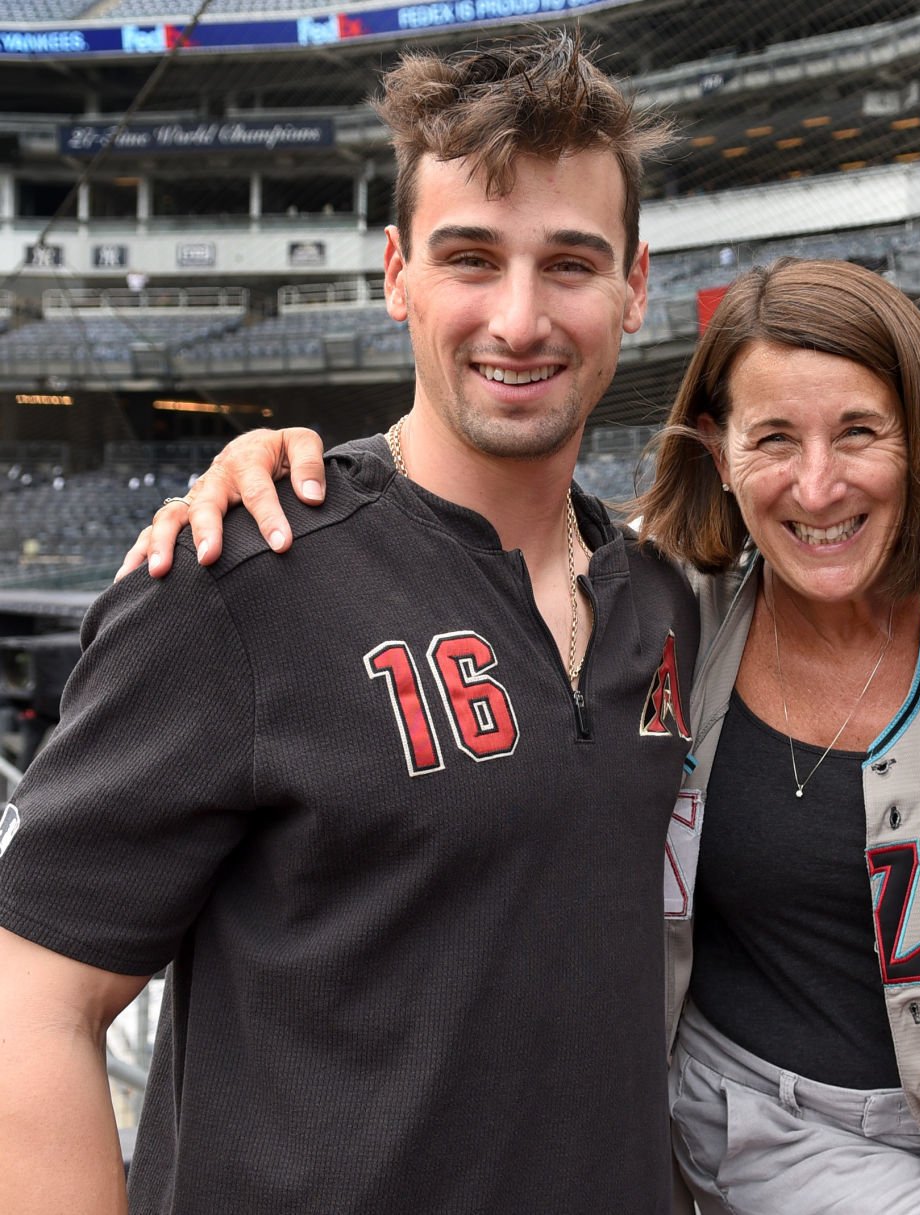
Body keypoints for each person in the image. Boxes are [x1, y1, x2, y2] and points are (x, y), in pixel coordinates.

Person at [119, 259, 920, 1211]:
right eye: (773, 438)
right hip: (754, 1126)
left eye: (859, 433)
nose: (817, 487)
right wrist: (268, 469)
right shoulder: (672, 593)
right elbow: (483, 533)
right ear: (718, 453)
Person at [0, 35, 699, 1214]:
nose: (519, 319)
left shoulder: (666, 601)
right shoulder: (235, 578)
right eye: (469, 258)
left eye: (570, 264)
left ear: (635, 285)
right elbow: (30, 1002)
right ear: (396, 274)